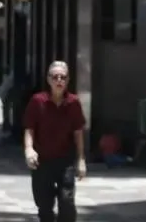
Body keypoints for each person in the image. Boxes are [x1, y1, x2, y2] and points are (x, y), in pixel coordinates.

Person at [24, 61, 87, 222]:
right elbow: (29, 128)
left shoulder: (73, 103)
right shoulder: (37, 101)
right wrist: (29, 149)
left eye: (63, 77)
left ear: (68, 80)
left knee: (66, 201)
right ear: (48, 79)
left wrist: (81, 160)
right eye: (55, 77)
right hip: (42, 160)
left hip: (65, 160)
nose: (59, 80)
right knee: (44, 205)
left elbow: (78, 133)